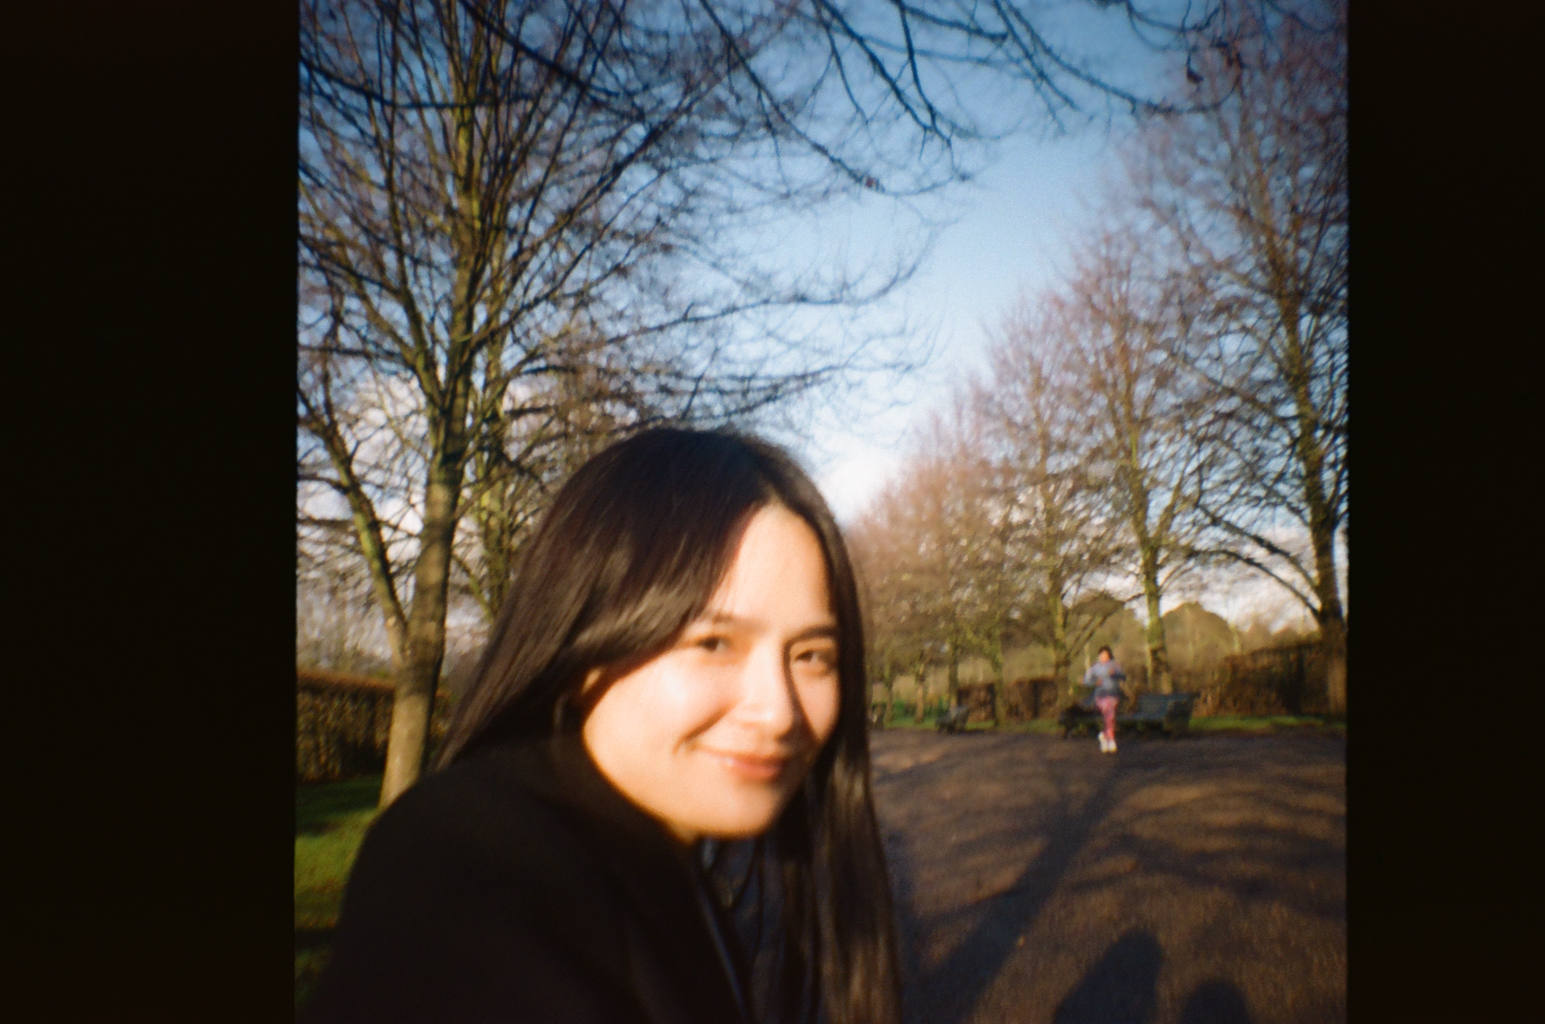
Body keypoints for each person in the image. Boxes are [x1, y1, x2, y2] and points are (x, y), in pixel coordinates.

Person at [301, 428, 902, 1024]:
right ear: (583, 647)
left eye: (812, 655)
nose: (779, 712)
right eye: (714, 642)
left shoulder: (669, 861)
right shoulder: (467, 869)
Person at [1082, 645, 1127, 754]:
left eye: (1105, 655)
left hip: (1113, 694)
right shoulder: (1094, 668)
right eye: (1101, 655)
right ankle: (1110, 739)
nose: (1103, 657)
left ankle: (1104, 737)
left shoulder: (1115, 665)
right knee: (1109, 714)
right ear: (1099, 656)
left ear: (1109, 655)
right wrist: (1095, 682)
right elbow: (1086, 681)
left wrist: (1115, 673)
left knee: (1109, 716)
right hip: (1101, 695)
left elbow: (1123, 677)